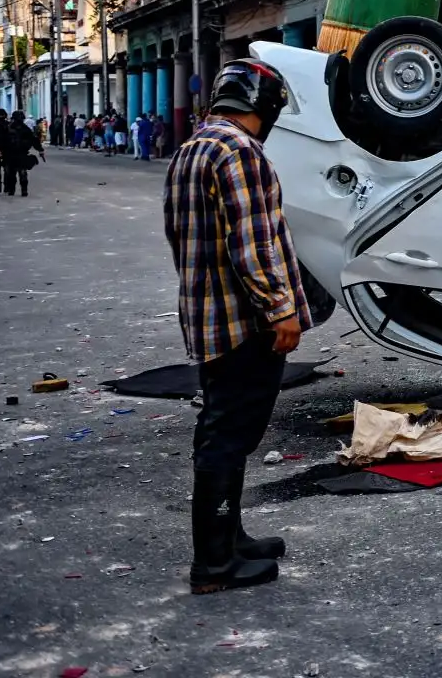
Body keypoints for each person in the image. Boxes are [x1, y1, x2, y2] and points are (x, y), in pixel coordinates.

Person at [162, 59, 310, 595]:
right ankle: (215, 565)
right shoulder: (241, 153)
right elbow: (252, 246)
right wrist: (282, 311)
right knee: (228, 436)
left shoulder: (192, 148)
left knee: (225, 429)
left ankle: (231, 536)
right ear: (263, 105)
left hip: (207, 315)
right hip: (245, 324)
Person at [2, 109, 45, 197]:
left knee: (21, 174)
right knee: (12, 174)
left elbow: (34, 140)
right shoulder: (9, 129)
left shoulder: (25, 130)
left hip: (21, 154)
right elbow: (2, 141)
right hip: (11, 155)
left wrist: (40, 149)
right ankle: (13, 190)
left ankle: (22, 190)